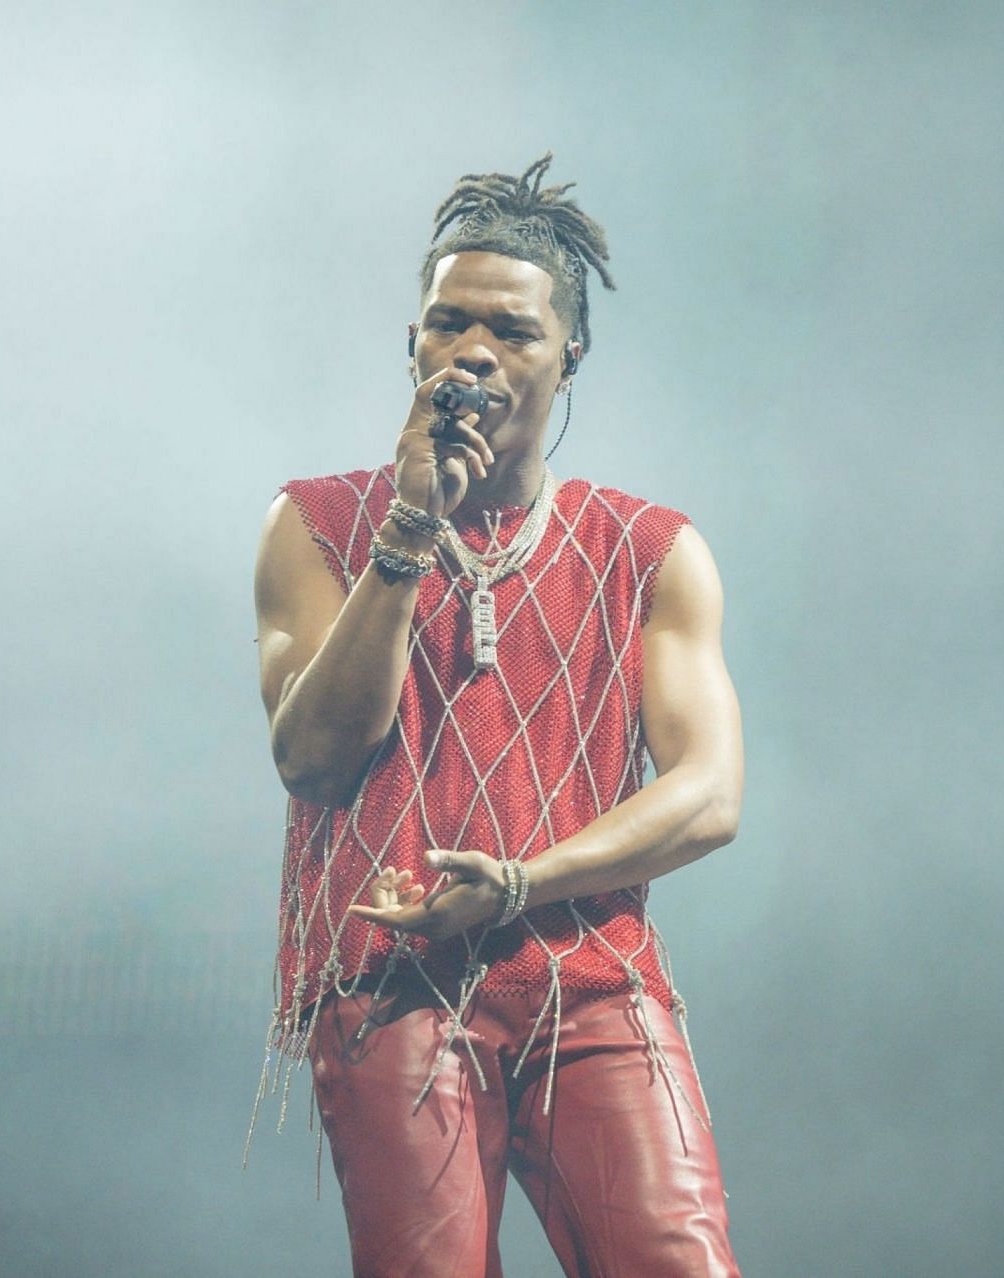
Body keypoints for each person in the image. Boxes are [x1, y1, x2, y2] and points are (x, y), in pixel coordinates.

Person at [246, 154, 745, 1277]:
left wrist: (521, 884)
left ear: (569, 358)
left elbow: (709, 795)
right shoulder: (320, 522)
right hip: (395, 982)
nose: (473, 351)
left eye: (511, 332)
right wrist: (410, 532)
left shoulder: (647, 548)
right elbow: (316, 758)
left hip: (590, 973)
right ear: (414, 346)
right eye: (447, 325)